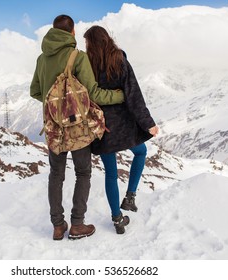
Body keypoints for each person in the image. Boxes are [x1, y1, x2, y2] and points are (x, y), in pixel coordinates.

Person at [30, 16, 125, 240]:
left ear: (52, 32)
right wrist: (121, 95)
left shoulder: (42, 59)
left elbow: (35, 91)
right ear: (72, 32)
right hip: (78, 128)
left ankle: (57, 225)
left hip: (53, 128)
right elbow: (94, 94)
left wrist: (55, 105)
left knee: (56, 174)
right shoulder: (78, 57)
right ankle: (77, 224)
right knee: (83, 173)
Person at [83, 25, 159, 234]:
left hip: (101, 126)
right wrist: (148, 123)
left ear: (91, 43)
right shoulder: (120, 60)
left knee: (111, 174)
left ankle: (117, 218)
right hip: (124, 124)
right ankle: (130, 196)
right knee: (141, 152)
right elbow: (134, 95)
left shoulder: (86, 63)